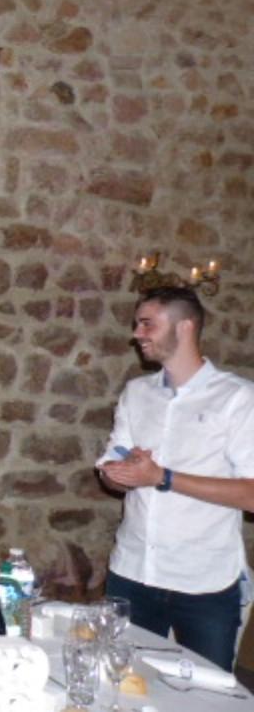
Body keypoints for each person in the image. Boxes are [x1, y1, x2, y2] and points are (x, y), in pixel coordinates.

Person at [97, 285, 254, 670]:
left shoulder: (237, 398)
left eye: (147, 324)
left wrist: (162, 477)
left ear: (185, 327)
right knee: (122, 682)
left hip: (203, 582)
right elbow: (113, 467)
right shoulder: (136, 392)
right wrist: (118, 474)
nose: (137, 333)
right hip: (132, 571)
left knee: (208, 693)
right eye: (137, 324)